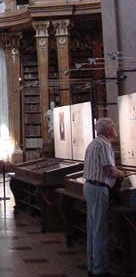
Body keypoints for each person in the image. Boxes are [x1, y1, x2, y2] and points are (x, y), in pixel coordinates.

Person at [83, 117, 125, 277]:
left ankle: (92, 266)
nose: (115, 128)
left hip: (90, 187)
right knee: (100, 230)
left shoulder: (93, 143)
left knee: (93, 229)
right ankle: (100, 270)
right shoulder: (104, 144)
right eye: (113, 126)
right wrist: (122, 174)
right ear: (108, 130)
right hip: (99, 188)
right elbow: (109, 170)